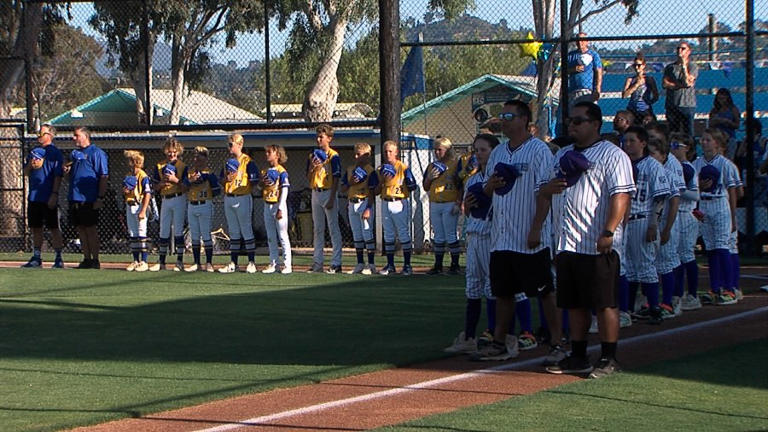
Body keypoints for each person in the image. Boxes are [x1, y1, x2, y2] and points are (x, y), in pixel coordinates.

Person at [542, 102, 634, 378]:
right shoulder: (564, 155)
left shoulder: (613, 155)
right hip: (569, 241)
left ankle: (609, 357)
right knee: (574, 302)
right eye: (570, 121)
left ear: (595, 124)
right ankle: (579, 355)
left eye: (578, 121)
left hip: (597, 242)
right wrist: (548, 188)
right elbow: (547, 190)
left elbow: (621, 195)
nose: (572, 126)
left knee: (604, 302)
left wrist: (608, 231)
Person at [473, 99, 563, 364]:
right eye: (502, 116)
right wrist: (489, 186)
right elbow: (489, 192)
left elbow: (545, 192)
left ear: (524, 119)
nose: (504, 120)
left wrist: (536, 228)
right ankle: (501, 341)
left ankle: (557, 341)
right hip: (501, 236)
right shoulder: (498, 153)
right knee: (503, 291)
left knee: (545, 291)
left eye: (509, 115)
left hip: (529, 236)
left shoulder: (538, 151)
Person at [444, 133, 499, 354]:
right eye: (476, 150)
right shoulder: (474, 178)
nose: (478, 154)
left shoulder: (496, 177)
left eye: (483, 149)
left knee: (492, 286)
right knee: (473, 285)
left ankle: (497, 334)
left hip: (491, 235)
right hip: (474, 234)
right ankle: (468, 335)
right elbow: (469, 209)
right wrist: (466, 203)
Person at [622, 127, 670, 325]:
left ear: (643, 143)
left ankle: (654, 308)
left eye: (632, 140)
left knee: (646, 266)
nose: (628, 144)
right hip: (625, 221)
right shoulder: (623, 163)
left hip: (643, 218)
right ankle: (630, 309)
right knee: (629, 268)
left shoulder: (653, 165)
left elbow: (660, 198)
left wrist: (654, 224)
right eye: (626, 140)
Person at [693, 128, 741, 305]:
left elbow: (733, 190)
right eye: (703, 139)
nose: (704, 142)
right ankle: (715, 287)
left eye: (708, 140)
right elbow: (692, 187)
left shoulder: (726, 164)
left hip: (720, 203)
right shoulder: (697, 163)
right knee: (711, 247)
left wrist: (733, 216)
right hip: (704, 203)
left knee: (722, 246)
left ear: (717, 143)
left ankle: (730, 288)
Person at [647, 136, 686, 318]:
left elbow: (674, 203)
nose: (650, 157)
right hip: (649, 223)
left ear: (663, 156)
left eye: (653, 153)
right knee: (651, 264)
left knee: (665, 263)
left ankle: (668, 302)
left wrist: (667, 229)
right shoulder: (646, 172)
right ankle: (652, 302)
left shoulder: (669, 175)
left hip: (665, 223)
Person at [371, 140, 418, 275]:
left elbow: (412, 186)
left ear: (396, 152)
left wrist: (408, 182)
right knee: (389, 234)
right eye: (386, 151)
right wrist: (382, 181)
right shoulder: (380, 169)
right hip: (385, 201)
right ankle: (390, 265)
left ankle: (407, 265)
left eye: (390, 151)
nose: (388, 154)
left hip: (399, 202)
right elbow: (376, 191)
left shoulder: (403, 167)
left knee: (403, 233)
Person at [65, 126, 109, 269]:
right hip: (75, 197)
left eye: (76, 135)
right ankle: (86, 258)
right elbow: (71, 175)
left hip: (89, 198)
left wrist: (100, 197)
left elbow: (103, 176)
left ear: (85, 136)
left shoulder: (97, 153)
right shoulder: (75, 154)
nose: (74, 138)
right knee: (80, 229)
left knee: (91, 229)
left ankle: (95, 259)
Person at [21, 124, 65, 269]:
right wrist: (31, 165)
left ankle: (58, 257)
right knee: (36, 227)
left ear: (49, 135)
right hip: (34, 196)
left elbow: (58, 175)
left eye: (42, 133)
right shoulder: (34, 151)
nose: (38, 136)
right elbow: (26, 172)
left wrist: (54, 194)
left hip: (48, 195)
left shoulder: (54, 153)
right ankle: (36, 256)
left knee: (53, 227)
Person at [668, 133, 701, 311]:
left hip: (686, 213)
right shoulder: (674, 166)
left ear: (686, 148)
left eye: (676, 145)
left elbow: (695, 195)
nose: (672, 149)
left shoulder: (688, 168)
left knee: (686, 255)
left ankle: (692, 295)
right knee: (674, 256)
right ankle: (676, 294)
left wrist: (679, 190)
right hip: (674, 213)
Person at [219, 133, 259, 274]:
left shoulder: (248, 161)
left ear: (240, 144)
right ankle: (233, 263)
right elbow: (221, 180)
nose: (229, 147)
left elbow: (255, 181)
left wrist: (244, 185)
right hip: (229, 196)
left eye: (231, 144)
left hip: (242, 197)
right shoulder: (227, 162)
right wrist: (227, 178)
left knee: (246, 229)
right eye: (228, 144)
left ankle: (251, 262)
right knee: (234, 231)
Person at [306, 124, 343, 274]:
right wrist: (313, 168)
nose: (318, 139)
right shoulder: (312, 155)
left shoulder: (333, 156)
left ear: (329, 138)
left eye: (322, 137)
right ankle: (318, 262)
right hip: (316, 191)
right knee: (318, 228)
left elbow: (336, 178)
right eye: (318, 136)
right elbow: (308, 176)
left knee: (333, 228)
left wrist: (332, 197)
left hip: (328, 192)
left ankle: (336, 262)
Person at [423, 136, 463, 275]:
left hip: (450, 201)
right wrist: (429, 178)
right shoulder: (432, 166)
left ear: (448, 149)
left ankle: (455, 265)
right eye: (435, 150)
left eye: (440, 150)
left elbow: (461, 185)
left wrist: (459, 202)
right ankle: (438, 264)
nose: (437, 153)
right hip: (435, 202)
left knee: (451, 234)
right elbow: (425, 186)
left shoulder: (456, 164)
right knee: (438, 235)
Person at [150, 137, 188, 272]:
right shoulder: (160, 166)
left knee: (178, 229)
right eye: (169, 152)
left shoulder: (182, 166)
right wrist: (161, 184)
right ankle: (161, 261)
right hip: (165, 198)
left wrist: (175, 180)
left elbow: (185, 187)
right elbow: (153, 186)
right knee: (163, 229)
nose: (171, 154)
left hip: (178, 197)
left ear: (178, 152)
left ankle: (179, 260)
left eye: (174, 152)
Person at [182, 146, 220, 272]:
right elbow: (183, 188)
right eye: (195, 156)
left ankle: (209, 263)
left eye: (200, 156)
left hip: (205, 203)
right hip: (192, 204)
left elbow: (217, 191)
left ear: (205, 158)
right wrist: (191, 181)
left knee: (206, 234)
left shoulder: (209, 173)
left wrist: (206, 180)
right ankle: (196, 262)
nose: (196, 159)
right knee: (194, 236)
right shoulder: (189, 172)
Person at [340, 142, 376, 275]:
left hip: (364, 201)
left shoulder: (370, 171)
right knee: (357, 234)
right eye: (355, 154)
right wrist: (351, 183)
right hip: (352, 202)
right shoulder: (350, 169)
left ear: (367, 156)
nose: (356, 157)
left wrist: (369, 208)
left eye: (359, 154)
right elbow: (343, 188)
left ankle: (371, 264)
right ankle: (360, 263)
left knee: (367, 233)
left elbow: (372, 191)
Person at [260, 145, 292, 274]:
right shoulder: (265, 171)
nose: (267, 154)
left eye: (270, 152)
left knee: (283, 235)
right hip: (267, 204)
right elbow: (261, 187)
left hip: (278, 204)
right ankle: (274, 263)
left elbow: (285, 189)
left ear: (277, 155)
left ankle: (287, 264)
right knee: (271, 236)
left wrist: (280, 207)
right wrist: (262, 183)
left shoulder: (281, 171)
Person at [122, 150, 152, 272]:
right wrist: (125, 191)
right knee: (133, 233)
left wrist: (143, 210)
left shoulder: (143, 176)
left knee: (141, 232)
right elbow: (126, 191)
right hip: (130, 204)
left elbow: (147, 194)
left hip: (139, 205)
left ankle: (144, 261)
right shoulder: (128, 175)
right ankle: (135, 260)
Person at [663, 41, 698, 136]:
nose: (680, 50)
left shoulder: (692, 66)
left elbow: (687, 83)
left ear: (689, 51)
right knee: (673, 133)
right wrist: (681, 85)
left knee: (688, 133)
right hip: (672, 105)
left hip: (687, 105)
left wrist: (683, 66)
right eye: (678, 48)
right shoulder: (670, 67)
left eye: (683, 49)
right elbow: (665, 84)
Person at [567, 32, 603, 108]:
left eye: (582, 40)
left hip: (588, 91)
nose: (580, 43)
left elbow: (598, 72)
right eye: (578, 41)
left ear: (587, 42)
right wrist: (574, 69)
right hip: (573, 91)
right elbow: (565, 70)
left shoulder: (593, 55)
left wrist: (597, 89)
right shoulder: (571, 55)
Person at [622, 52, 659, 123]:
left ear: (643, 65)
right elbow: (624, 95)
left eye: (639, 65)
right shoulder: (630, 80)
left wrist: (648, 103)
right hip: (632, 109)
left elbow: (656, 95)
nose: (636, 67)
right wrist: (636, 84)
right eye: (634, 65)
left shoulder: (649, 79)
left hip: (645, 110)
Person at [708, 88, 741, 160]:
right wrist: (716, 121)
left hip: (729, 137)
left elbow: (737, 125)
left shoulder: (733, 109)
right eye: (719, 99)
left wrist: (726, 121)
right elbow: (710, 124)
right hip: (717, 138)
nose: (721, 101)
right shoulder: (714, 110)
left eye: (723, 99)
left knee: (729, 159)